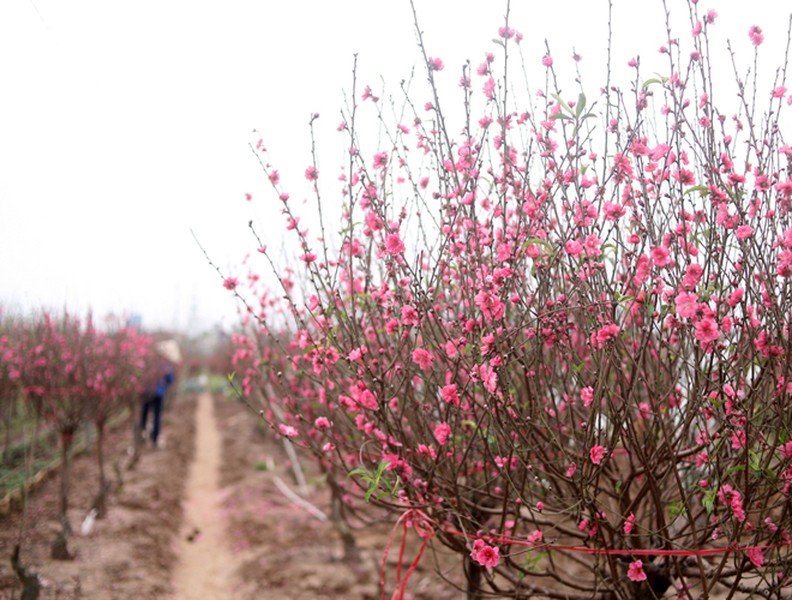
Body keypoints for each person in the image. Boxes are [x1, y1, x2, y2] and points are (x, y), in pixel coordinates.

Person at [140, 363, 175, 447]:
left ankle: (144, 431)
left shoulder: (147, 362)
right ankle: (154, 439)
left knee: (145, 413)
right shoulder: (165, 365)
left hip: (148, 392)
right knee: (156, 416)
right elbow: (170, 380)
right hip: (158, 393)